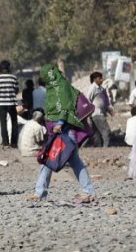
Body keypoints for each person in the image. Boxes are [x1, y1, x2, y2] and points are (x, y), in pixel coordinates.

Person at [27, 64, 95, 203]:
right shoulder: (53, 88)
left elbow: (66, 106)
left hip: (64, 130)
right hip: (56, 130)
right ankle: (40, 193)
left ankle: (40, 193)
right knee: (52, 161)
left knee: (65, 161)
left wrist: (60, 123)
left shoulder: (61, 86)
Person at [0, 60, 20, 147]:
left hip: (1, 103)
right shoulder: (14, 77)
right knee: (14, 122)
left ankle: (5, 143)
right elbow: (16, 90)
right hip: (11, 102)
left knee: (3, 123)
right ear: (9, 68)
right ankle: (14, 143)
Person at [87, 72, 114, 147]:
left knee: (97, 133)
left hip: (101, 112)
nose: (102, 80)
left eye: (102, 78)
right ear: (95, 79)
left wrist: (109, 110)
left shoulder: (101, 88)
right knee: (106, 131)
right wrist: (89, 113)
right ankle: (106, 147)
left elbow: (105, 101)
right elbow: (88, 100)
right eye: (100, 78)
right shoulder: (93, 88)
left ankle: (98, 148)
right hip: (96, 113)